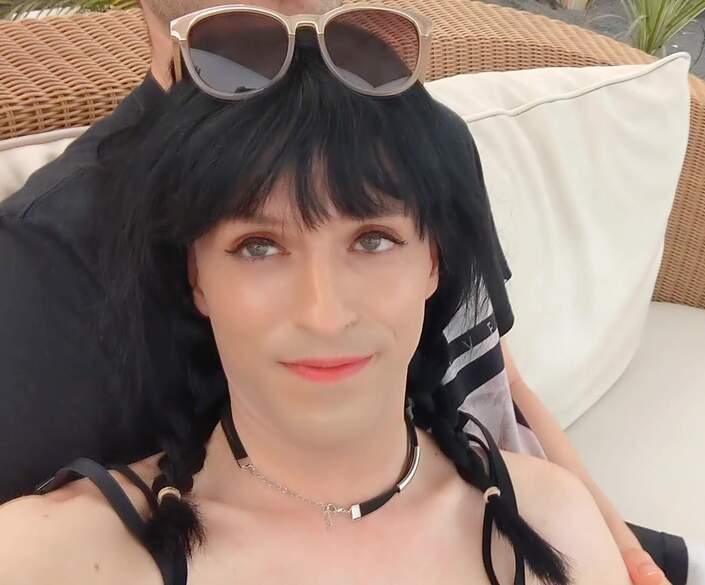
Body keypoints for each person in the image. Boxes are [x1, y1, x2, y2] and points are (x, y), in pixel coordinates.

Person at [0, 36, 636, 584]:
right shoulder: (56, 556)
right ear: (196, 276)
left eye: (373, 240)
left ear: (433, 262)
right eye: (259, 247)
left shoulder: (555, 524)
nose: (324, 315)